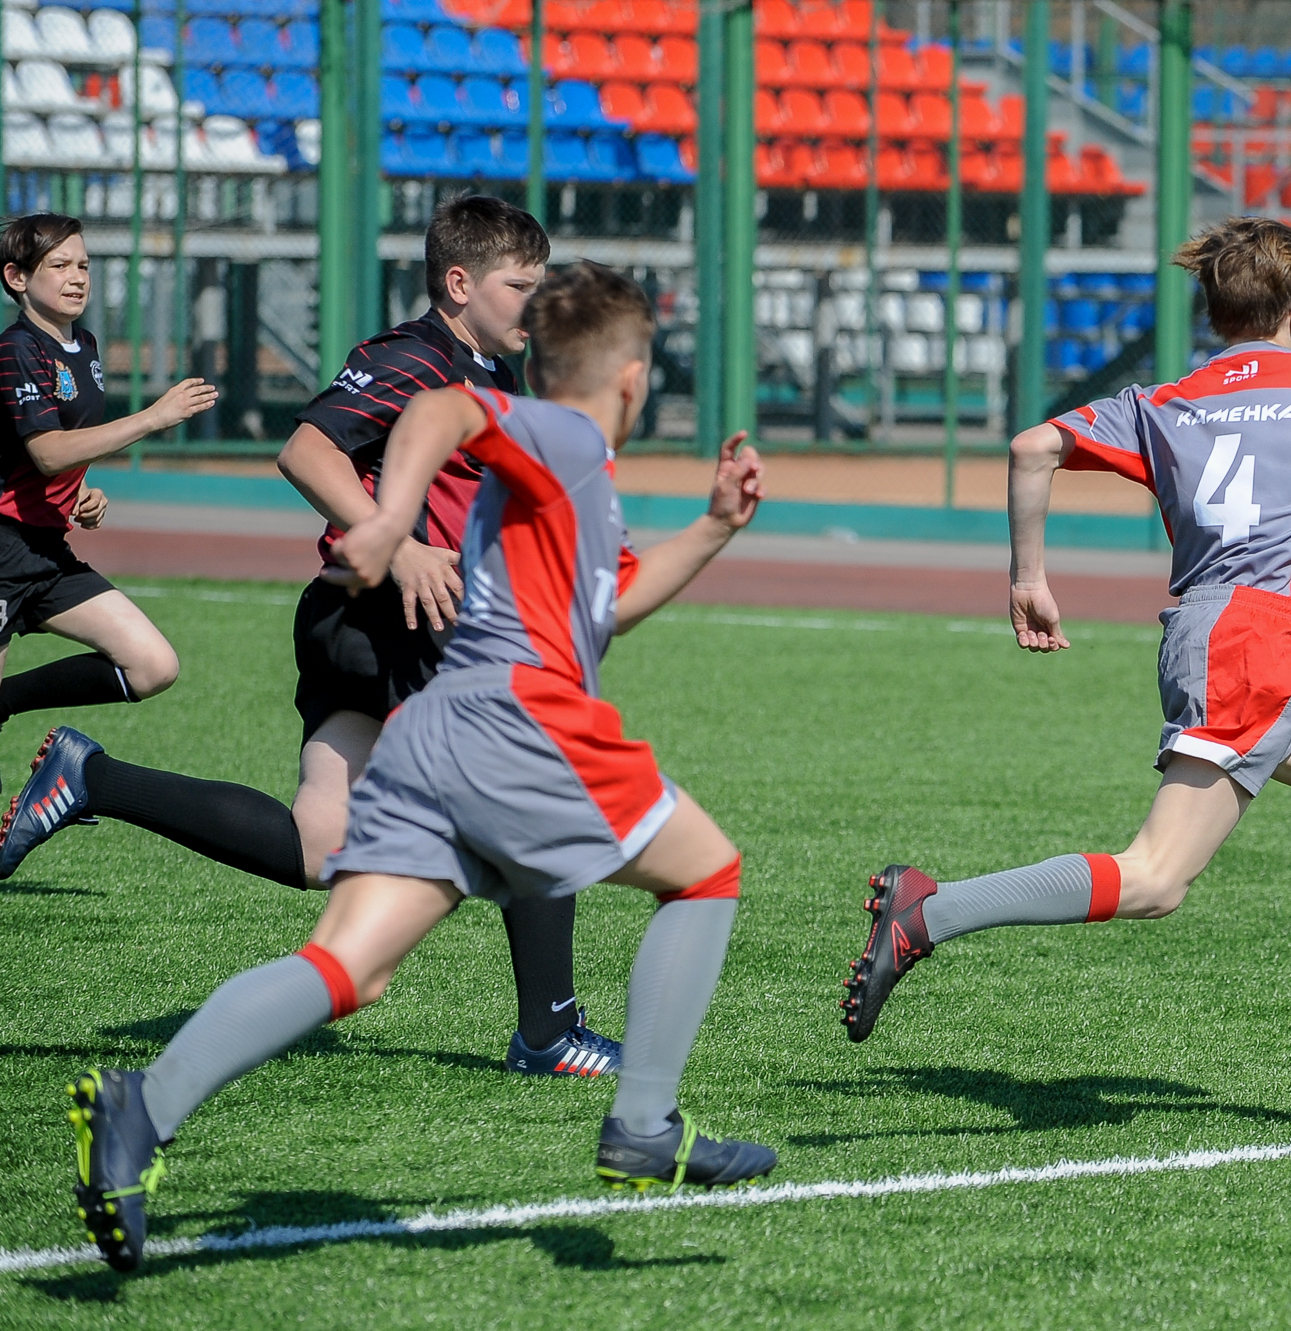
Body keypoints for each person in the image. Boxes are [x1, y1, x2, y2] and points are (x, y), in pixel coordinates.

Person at [66, 262, 775, 1274]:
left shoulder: (570, 480)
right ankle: (645, 1126)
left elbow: (607, 601)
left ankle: (145, 1106)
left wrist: (711, 528)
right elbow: (443, 407)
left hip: (433, 728)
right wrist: (390, 516)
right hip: (519, 720)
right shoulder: (566, 433)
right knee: (707, 868)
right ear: (629, 377)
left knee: (350, 966)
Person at [841, 217, 1291, 1094]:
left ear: (1219, 309)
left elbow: (1030, 447)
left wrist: (1029, 577)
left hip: (1206, 630)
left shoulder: (1173, 397)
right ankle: (927, 912)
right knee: (1155, 878)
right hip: (1253, 644)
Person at [3, 197, 618, 1077]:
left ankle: (90, 776)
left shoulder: (491, 373)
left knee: (322, 845)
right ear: (459, 283)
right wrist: (399, 546)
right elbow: (307, 451)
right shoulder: (418, 359)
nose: (537, 302)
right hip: (383, 619)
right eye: (520, 285)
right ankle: (550, 1033)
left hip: (354, 621)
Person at [0, 212, 214, 741]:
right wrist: (153, 417)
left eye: (85, 265)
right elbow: (48, 452)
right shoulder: (16, 349)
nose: (77, 277)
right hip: (2, 545)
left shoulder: (85, 347)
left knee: (153, 664)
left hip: (47, 550)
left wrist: (80, 493)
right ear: (17, 278)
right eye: (59, 265)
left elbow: (54, 459)